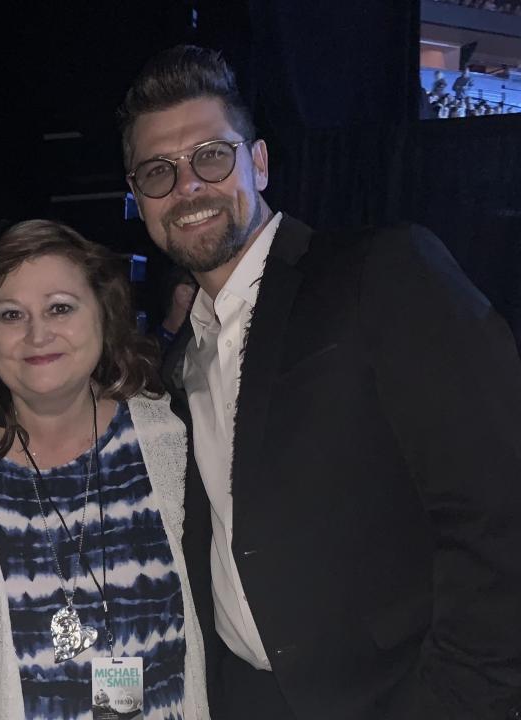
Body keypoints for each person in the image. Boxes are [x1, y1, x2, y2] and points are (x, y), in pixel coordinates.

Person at [118, 45, 521, 720]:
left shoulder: (381, 273)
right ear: (138, 197)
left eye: (212, 156)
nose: (186, 186)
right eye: (158, 172)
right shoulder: (178, 361)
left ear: (261, 162)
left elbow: (502, 512)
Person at [0, 219, 209, 719]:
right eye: (11, 314)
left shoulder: (171, 434)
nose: (37, 333)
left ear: (104, 314)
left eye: (60, 308)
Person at [156, 265, 198, 352]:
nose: (201, 293)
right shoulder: (154, 343)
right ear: (182, 291)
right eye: (196, 287)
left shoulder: (201, 336)